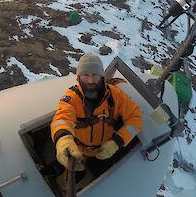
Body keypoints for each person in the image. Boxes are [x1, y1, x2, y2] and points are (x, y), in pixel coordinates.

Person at [50, 52, 143, 180]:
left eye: (95, 75)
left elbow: (135, 118)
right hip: (78, 149)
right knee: (74, 176)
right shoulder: (71, 98)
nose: (90, 80)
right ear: (78, 77)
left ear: (102, 76)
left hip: (105, 149)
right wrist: (63, 139)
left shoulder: (115, 95)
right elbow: (62, 118)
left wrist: (117, 142)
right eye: (85, 75)